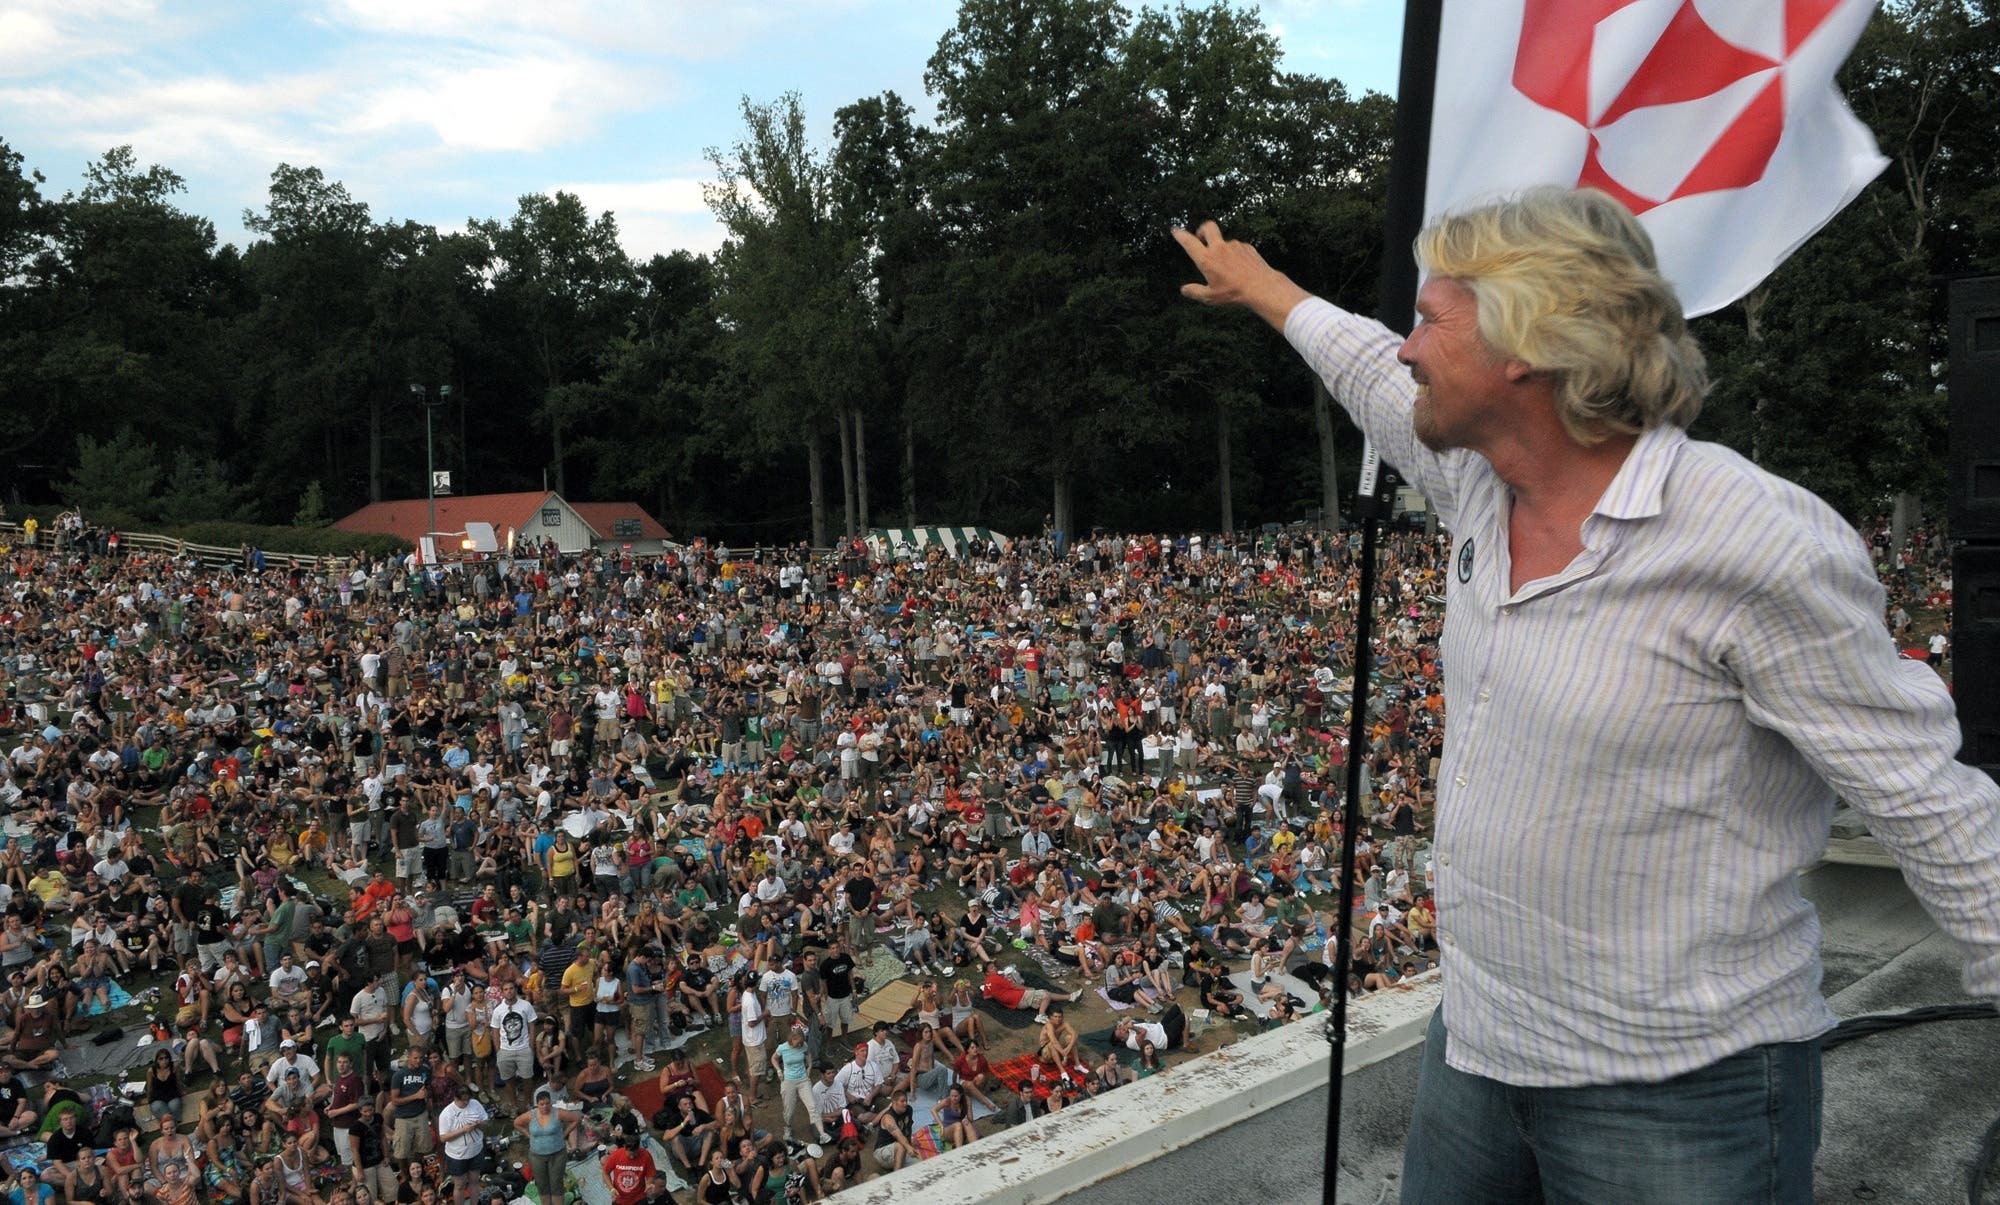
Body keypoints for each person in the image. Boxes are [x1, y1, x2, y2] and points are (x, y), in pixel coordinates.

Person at [1174, 188, 2000, 1201]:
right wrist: (1263, 287)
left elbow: (1928, 798)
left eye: (1431, 321)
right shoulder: (1477, 479)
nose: (1407, 348)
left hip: (1677, 1090)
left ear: (1527, 346)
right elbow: (1362, 363)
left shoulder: (1754, 540)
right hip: (1476, 1045)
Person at [512, 1089, 581, 1205]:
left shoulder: (558, 1113)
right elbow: (516, 1123)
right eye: (542, 1104)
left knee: (556, 1183)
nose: (545, 1106)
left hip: (557, 1154)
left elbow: (575, 1119)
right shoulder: (531, 1115)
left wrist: (565, 1133)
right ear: (537, 1104)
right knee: (542, 1184)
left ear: (551, 1102)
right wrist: (528, 1135)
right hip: (537, 1156)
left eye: (547, 1103)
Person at [436, 1084, 489, 1205]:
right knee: (460, 1184)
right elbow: (443, 1138)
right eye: (463, 1100)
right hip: (457, 1156)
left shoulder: (475, 1104)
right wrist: (463, 1130)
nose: (466, 1102)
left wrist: (478, 1124)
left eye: (467, 1099)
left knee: (474, 1180)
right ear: (455, 1098)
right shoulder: (447, 1113)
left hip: (476, 1150)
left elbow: (486, 1123)